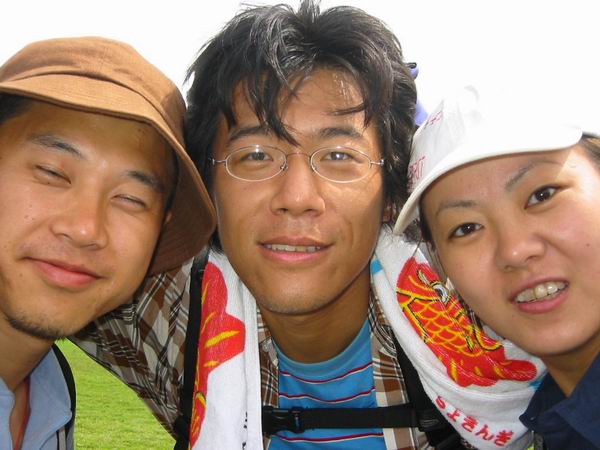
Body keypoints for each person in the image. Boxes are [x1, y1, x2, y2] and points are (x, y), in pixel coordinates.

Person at [73, 3, 543, 450]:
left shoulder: (476, 310)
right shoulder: (168, 310)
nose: (297, 198)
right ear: (208, 187)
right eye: (255, 155)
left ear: (390, 196)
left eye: (339, 156)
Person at [0, 36, 215, 450]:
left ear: (160, 228)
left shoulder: (50, 392)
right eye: (52, 173)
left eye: (131, 199)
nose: (86, 229)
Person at [394, 85, 600, 449]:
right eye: (466, 228)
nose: (514, 250)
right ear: (441, 264)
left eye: (542, 195)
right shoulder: (555, 420)